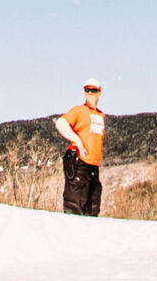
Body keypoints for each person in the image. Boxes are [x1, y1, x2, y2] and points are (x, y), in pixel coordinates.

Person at [53, 78, 105, 216]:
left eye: (93, 90)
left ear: (99, 93)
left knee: (92, 207)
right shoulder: (78, 111)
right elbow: (61, 123)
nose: (90, 93)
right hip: (79, 162)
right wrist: (77, 140)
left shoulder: (100, 115)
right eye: (87, 90)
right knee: (75, 205)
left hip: (93, 165)